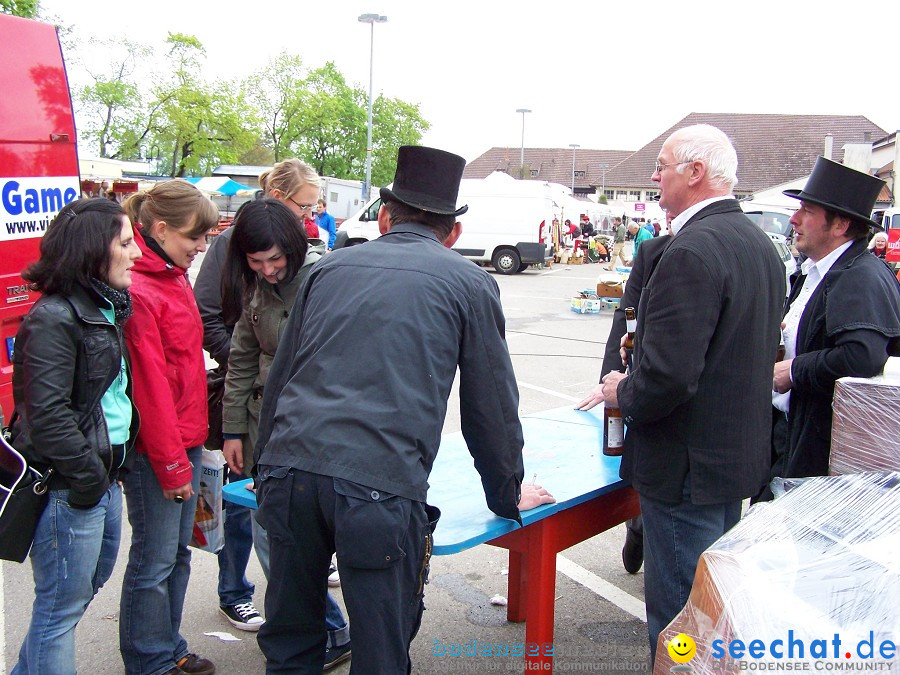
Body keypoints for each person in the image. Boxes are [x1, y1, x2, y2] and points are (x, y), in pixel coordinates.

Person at [252, 145, 555, 672]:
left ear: (386, 217)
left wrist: (266, 468)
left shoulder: (329, 269)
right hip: (378, 485)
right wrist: (506, 493)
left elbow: (281, 379)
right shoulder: (470, 283)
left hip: (290, 472)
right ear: (453, 232)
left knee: (290, 643)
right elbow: (491, 410)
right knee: (381, 652)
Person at [600, 124, 785, 663]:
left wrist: (621, 389)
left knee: (682, 620)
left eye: (662, 166)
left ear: (696, 173)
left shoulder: (691, 251)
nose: (654, 177)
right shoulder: (759, 245)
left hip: (686, 470)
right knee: (709, 613)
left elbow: (668, 377)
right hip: (727, 464)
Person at [218, 198, 352, 667]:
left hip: (309, 438)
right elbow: (240, 358)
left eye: (275, 260)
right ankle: (323, 629)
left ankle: (328, 629)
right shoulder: (255, 286)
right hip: (260, 433)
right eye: (257, 262)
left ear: (293, 248)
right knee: (269, 537)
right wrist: (232, 430)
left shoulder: (324, 278)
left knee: (285, 543)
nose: (269, 270)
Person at [10, 199, 141, 675]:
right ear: (92, 250)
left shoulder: (102, 307)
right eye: (125, 243)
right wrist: (87, 477)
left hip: (98, 482)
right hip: (74, 487)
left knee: (76, 596)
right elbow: (46, 416)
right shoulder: (55, 318)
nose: (136, 253)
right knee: (59, 612)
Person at [119, 180, 219, 675]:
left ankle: (167, 646)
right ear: (159, 230)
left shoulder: (170, 274)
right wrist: (172, 462)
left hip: (186, 439)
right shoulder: (140, 288)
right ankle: (148, 660)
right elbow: (150, 388)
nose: (201, 248)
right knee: (154, 560)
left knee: (177, 555)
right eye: (192, 238)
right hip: (157, 451)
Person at [772, 157, 900, 481]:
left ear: (840, 225)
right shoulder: (816, 271)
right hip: (791, 436)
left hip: (821, 454)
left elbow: (862, 356)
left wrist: (796, 370)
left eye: (807, 212)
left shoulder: (859, 275)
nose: (794, 219)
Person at [576, 217, 673, 576]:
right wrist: (607, 382)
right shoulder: (651, 252)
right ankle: (637, 525)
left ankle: (643, 523)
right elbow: (625, 316)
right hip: (641, 375)